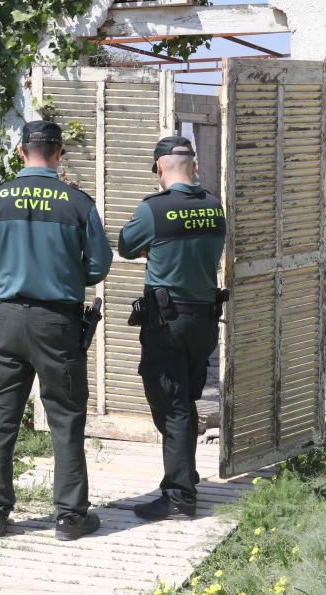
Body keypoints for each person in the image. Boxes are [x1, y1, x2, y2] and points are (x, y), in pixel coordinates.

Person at [0, 120, 112, 540]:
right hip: (57, 322)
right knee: (65, 418)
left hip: (6, 319)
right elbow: (99, 265)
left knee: (2, 418)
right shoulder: (78, 204)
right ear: (60, 153)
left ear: (20, 152)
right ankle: (69, 518)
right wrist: (64, 275)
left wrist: (12, 275)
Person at [118, 136, 227, 520]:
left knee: (172, 406)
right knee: (184, 402)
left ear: (159, 168)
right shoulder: (214, 207)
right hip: (203, 324)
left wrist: (156, 246)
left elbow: (126, 247)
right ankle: (186, 473)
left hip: (167, 325)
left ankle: (180, 495)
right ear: (193, 167)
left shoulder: (154, 210)